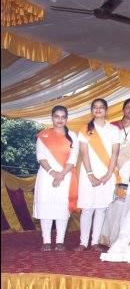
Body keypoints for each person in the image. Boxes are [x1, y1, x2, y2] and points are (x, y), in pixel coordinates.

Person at [77, 98, 121, 252]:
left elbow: (115, 153)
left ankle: (95, 242)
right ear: (91, 110)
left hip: (107, 173)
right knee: (87, 209)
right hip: (88, 173)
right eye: (95, 107)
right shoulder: (85, 129)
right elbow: (84, 153)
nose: (98, 109)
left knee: (101, 208)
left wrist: (108, 175)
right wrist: (90, 174)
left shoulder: (114, 130)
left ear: (106, 110)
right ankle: (83, 242)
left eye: (101, 107)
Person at [33, 106, 78, 251]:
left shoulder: (72, 135)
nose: (60, 120)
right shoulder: (43, 135)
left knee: (62, 208)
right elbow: (41, 156)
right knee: (46, 207)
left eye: (63, 117)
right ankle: (46, 241)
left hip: (65, 176)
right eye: (57, 116)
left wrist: (61, 175)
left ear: (67, 118)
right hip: (46, 177)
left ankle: (60, 241)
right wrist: (53, 173)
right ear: (52, 118)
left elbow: (73, 159)